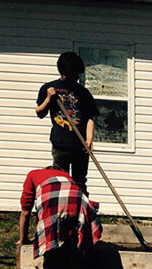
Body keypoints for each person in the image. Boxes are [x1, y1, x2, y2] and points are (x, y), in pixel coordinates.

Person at [17, 166, 102, 269]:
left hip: (51, 199)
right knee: (76, 245)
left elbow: (25, 212)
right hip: (78, 198)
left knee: (53, 252)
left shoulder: (33, 174)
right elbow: (68, 205)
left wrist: (23, 239)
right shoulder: (65, 176)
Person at [35, 51, 99, 194]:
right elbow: (39, 113)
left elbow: (90, 117)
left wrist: (89, 139)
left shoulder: (84, 93)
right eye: (74, 74)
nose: (77, 77)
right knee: (59, 182)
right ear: (64, 73)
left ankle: (80, 215)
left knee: (80, 184)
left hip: (81, 146)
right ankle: (61, 213)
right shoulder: (49, 89)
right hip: (60, 145)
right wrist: (48, 99)